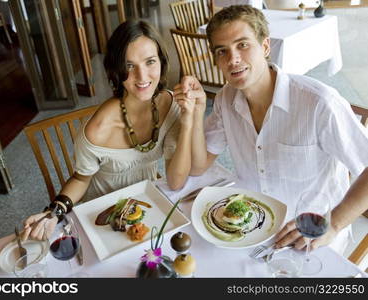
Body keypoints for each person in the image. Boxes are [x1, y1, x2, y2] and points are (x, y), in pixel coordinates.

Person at [174, 5, 368, 254]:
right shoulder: (225, 99)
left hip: (310, 238)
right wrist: (197, 111)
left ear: (265, 47)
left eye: (243, 45)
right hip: (252, 229)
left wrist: (334, 225)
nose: (233, 59)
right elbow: (199, 166)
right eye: (222, 51)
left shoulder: (319, 104)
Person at [22, 20, 195, 240]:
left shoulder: (169, 106)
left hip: (146, 205)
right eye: (129, 65)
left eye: (150, 61)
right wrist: (53, 213)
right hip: (102, 218)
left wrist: (188, 121)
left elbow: (176, 181)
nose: (142, 77)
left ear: (161, 62)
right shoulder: (98, 129)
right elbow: (81, 179)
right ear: (116, 69)